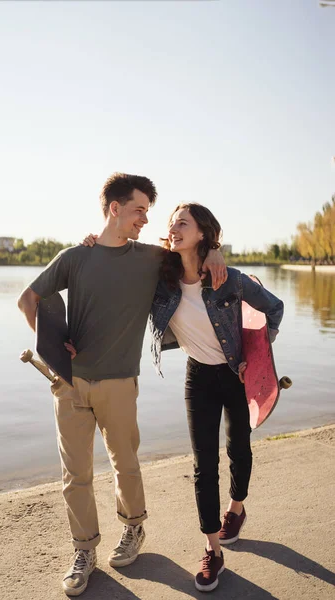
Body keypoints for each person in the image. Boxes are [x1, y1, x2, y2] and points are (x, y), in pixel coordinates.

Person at [17, 174, 227, 597]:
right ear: (115, 208)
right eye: (139, 210)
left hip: (119, 382)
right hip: (69, 383)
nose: (146, 219)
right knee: (74, 475)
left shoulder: (151, 258)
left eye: (149, 211)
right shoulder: (76, 257)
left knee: (124, 464)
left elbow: (191, 251)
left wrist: (217, 249)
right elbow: (28, 299)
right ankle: (84, 550)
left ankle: (133, 529)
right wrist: (53, 341)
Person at [148, 203, 284, 592]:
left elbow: (273, 309)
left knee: (238, 447)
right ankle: (213, 550)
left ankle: (236, 509)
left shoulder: (231, 279)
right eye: (171, 222)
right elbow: (123, 256)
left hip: (235, 375)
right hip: (198, 378)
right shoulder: (161, 277)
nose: (173, 228)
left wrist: (256, 359)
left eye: (183, 223)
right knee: (203, 465)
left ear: (203, 234)